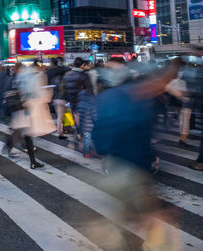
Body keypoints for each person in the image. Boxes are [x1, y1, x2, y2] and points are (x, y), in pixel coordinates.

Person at [93, 59, 183, 249]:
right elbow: (139, 138)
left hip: (114, 161)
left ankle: (130, 239)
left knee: (130, 210)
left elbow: (99, 131)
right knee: (146, 214)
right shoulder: (137, 100)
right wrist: (149, 162)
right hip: (131, 165)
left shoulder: (108, 96)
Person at [4, 61, 55, 169]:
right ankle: (32, 161)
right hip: (29, 109)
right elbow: (39, 94)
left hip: (20, 108)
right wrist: (48, 94)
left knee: (22, 132)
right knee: (26, 135)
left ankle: (10, 147)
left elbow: (17, 89)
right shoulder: (37, 77)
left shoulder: (22, 76)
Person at [60, 57, 93, 136]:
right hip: (81, 100)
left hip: (71, 100)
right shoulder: (83, 75)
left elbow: (63, 87)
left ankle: (78, 132)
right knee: (83, 118)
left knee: (75, 116)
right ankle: (80, 133)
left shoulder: (67, 74)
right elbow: (89, 89)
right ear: (82, 65)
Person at [46, 57, 70, 139]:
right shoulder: (64, 81)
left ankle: (60, 131)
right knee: (61, 116)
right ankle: (60, 132)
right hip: (62, 99)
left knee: (59, 116)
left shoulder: (53, 79)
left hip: (55, 99)